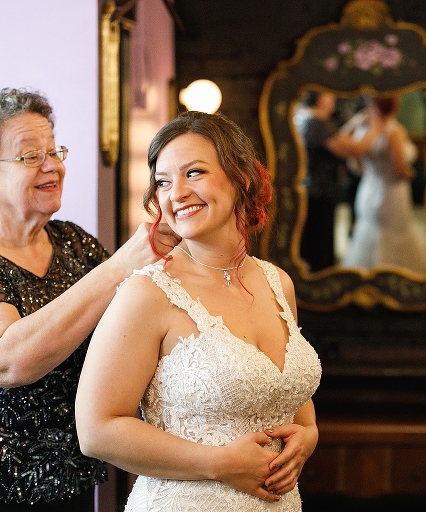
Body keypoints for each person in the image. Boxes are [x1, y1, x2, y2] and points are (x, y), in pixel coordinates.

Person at [75, 111, 323, 511]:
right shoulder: (148, 292)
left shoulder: (278, 283)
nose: (177, 193)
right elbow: (96, 430)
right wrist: (217, 463)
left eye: (194, 173)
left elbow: (284, 391)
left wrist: (308, 434)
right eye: (163, 182)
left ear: (241, 176)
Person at [0, 88, 179, 511]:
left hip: (69, 482)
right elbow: (7, 361)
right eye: (30, 156)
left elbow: (132, 334)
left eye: (55, 152)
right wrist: (120, 265)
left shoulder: (74, 244)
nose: (53, 166)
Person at [341, 95, 426, 274]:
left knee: (368, 233)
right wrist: (411, 173)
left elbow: (356, 165)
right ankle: (388, 277)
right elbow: (399, 170)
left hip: (368, 188)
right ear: (394, 107)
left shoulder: (364, 132)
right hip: (390, 192)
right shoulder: (394, 131)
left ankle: (365, 277)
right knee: (395, 234)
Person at [296, 90, 381, 272]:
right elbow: (352, 149)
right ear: (321, 98)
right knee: (320, 242)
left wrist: (354, 123)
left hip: (311, 188)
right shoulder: (316, 123)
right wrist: (376, 127)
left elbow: (337, 137)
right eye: (329, 95)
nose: (333, 99)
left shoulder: (306, 118)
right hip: (320, 190)